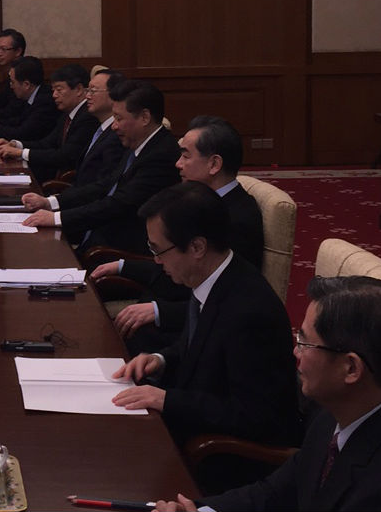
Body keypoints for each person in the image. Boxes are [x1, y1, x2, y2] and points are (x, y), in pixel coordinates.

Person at [155, 276, 381, 512]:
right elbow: (274, 492)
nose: (295, 352)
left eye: (305, 343)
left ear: (351, 368)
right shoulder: (333, 415)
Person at [110, 183, 300, 465]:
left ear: (197, 247)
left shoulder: (249, 312)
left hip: (224, 460)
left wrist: (166, 400)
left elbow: (256, 416)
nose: (156, 260)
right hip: (190, 427)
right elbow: (197, 345)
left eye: (159, 250)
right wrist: (160, 359)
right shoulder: (211, 277)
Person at [93, 116, 265, 352]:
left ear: (214, 164)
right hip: (161, 309)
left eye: (185, 156)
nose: (177, 164)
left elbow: (228, 298)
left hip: (185, 334)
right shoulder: (197, 201)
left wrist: (158, 311)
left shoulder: (236, 218)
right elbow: (171, 258)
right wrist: (122, 266)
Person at [22, 80, 180, 255]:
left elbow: (118, 204)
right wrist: (51, 202)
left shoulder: (161, 155)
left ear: (144, 117)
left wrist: (57, 218)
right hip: (98, 235)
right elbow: (104, 186)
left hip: (117, 250)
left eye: (119, 119)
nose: (114, 126)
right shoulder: (138, 143)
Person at [0, 64, 97, 183]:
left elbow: (65, 156)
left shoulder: (88, 117)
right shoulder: (67, 114)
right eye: (53, 90)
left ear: (78, 89)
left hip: (66, 182)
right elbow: (47, 143)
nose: (54, 95)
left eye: (59, 90)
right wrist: (16, 145)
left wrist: (21, 152)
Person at [0, 56, 60, 143]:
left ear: (26, 85)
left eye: (13, 82)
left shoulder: (45, 101)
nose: (11, 86)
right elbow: (20, 120)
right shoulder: (32, 95)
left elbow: (24, 132)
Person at [69, 69, 127, 188]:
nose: (87, 96)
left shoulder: (118, 135)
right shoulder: (100, 127)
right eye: (88, 90)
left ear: (113, 94)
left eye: (93, 91)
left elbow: (101, 186)